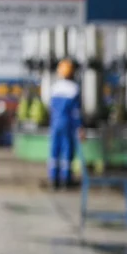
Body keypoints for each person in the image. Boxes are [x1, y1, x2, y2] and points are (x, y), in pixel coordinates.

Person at [47, 59, 82, 189]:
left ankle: (53, 179)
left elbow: (51, 107)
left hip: (55, 122)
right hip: (67, 123)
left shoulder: (54, 87)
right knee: (67, 150)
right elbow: (75, 111)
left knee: (54, 150)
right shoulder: (74, 88)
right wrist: (79, 127)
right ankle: (66, 180)